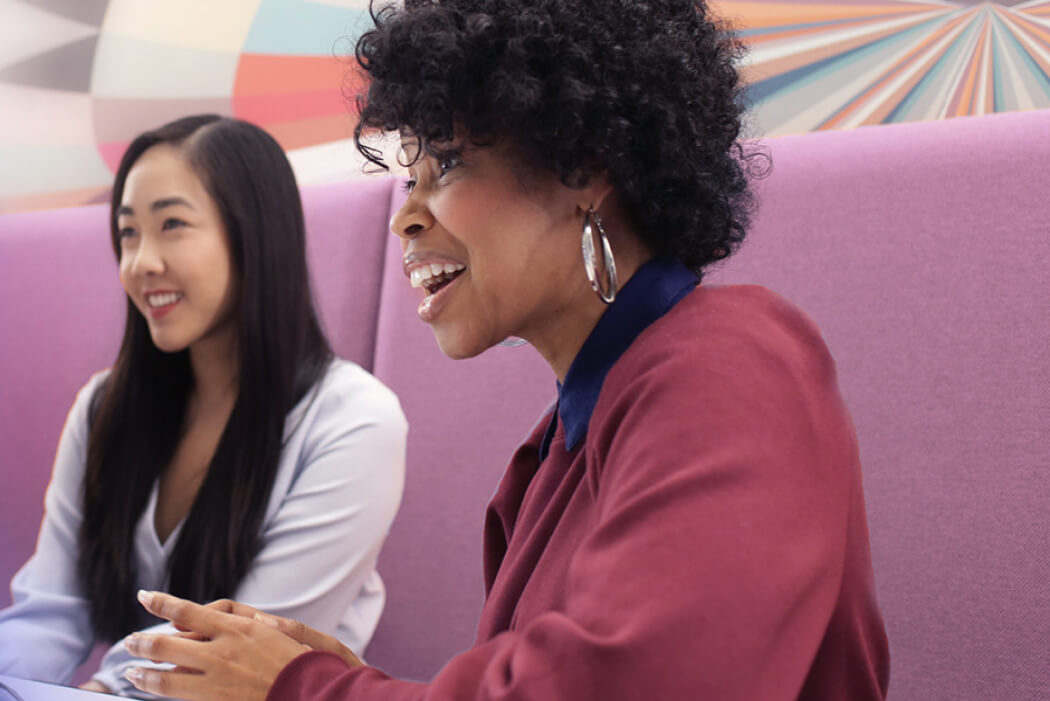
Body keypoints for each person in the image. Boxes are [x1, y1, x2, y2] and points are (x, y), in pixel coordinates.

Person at [120, 2, 891, 699]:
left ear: (584, 167)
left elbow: (641, 682)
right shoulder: (556, 443)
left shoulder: (731, 363)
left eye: (447, 164)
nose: (405, 220)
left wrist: (310, 690)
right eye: (406, 180)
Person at [0, 115, 407, 696]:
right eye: (128, 232)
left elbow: (236, 652)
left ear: (255, 236)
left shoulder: (354, 423)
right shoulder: (102, 408)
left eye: (172, 225)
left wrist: (103, 692)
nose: (141, 262)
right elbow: (51, 611)